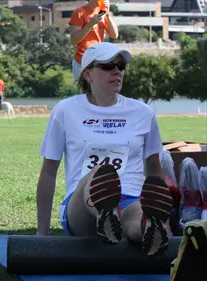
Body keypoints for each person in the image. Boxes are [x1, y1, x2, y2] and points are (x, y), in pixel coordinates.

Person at [36, 42, 173, 256]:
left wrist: (165, 220)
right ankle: (107, 215)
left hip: (130, 197)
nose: (117, 70)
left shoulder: (143, 113)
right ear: (88, 74)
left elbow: (154, 171)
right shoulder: (66, 110)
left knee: (137, 217)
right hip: (81, 201)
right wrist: (41, 235)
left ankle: (149, 229)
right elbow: (48, 172)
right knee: (99, 174)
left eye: (120, 65)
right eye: (108, 66)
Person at [69, 0, 119, 80]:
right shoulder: (79, 12)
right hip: (82, 60)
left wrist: (107, 13)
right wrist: (90, 24)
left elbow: (115, 35)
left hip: (97, 60)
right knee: (84, 90)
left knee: (98, 90)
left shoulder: (102, 12)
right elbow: (73, 40)